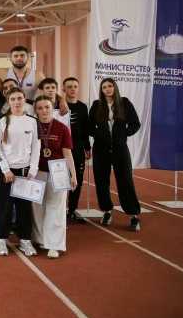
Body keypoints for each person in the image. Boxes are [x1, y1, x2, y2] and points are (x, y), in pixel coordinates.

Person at [0, 87, 41, 257]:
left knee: (24, 208)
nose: (17, 102)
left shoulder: (33, 121)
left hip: (25, 171)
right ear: (8, 101)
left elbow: (36, 146)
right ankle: (1, 239)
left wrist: (33, 169)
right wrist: (5, 169)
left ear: (25, 99)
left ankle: (25, 240)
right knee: (4, 206)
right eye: (13, 99)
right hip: (6, 172)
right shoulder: (1, 120)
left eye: (20, 98)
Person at [89, 77, 142, 231]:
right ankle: (107, 211)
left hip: (120, 149)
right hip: (101, 149)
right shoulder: (97, 105)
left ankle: (133, 215)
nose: (107, 89)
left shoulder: (124, 103)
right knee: (101, 181)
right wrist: (99, 135)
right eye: (104, 87)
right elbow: (89, 126)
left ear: (114, 87)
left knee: (125, 180)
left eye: (110, 86)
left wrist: (123, 134)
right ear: (101, 90)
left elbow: (135, 123)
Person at [31, 95, 77, 259]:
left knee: (56, 209)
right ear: (36, 110)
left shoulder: (62, 128)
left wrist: (73, 174)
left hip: (58, 172)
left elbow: (67, 153)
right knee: (37, 208)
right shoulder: (31, 126)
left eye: (47, 107)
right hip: (36, 172)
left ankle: (54, 245)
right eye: (40, 108)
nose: (44, 111)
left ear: (52, 109)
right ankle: (40, 239)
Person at [62, 77, 91, 222]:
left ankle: (72, 210)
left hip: (78, 149)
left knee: (77, 181)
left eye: (75, 86)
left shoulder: (83, 107)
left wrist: (87, 147)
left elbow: (85, 129)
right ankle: (60, 210)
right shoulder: (59, 105)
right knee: (61, 180)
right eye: (69, 86)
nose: (72, 89)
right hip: (62, 150)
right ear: (64, 89)